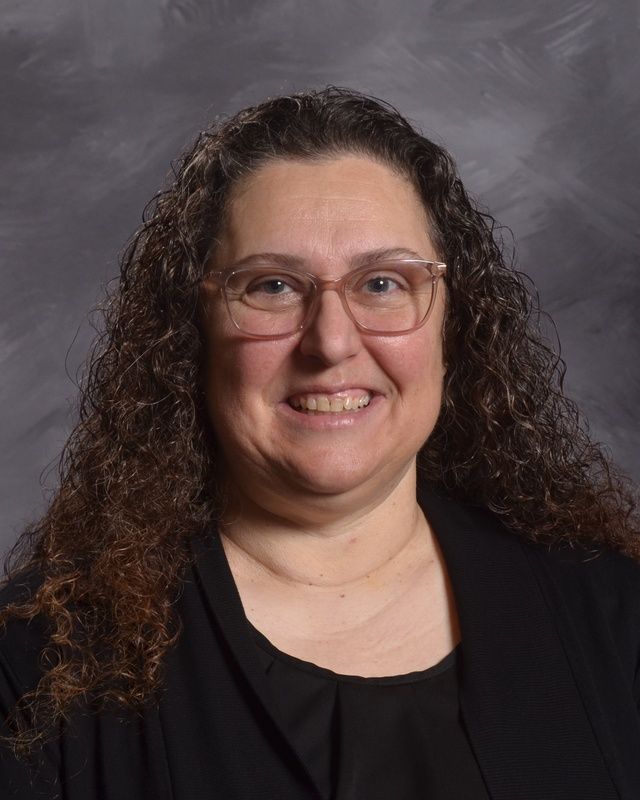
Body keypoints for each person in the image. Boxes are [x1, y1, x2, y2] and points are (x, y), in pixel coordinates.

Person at [1, 86, 639, 800]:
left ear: (451, 328)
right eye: (273, 286)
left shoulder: (615, 619)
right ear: (191, 336)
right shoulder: (40, 669)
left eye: (383, 283)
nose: (332, 342)